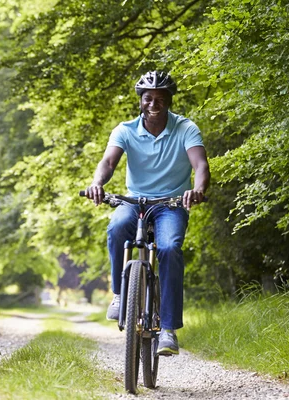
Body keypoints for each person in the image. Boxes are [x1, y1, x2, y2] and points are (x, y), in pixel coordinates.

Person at [85, 71, 210, 356]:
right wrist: (97, 184)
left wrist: (198, 190)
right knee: (117, 228)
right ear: (141, 100)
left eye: (160, 99)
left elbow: (200, 166)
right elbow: (108, 162)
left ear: (169, 101)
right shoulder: (125, 130)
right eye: (148, 98)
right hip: (134, 201)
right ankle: (119, 294)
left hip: (171, 204)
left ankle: (168, 329)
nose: (154, 103)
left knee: (169, 247)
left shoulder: (186, 128)